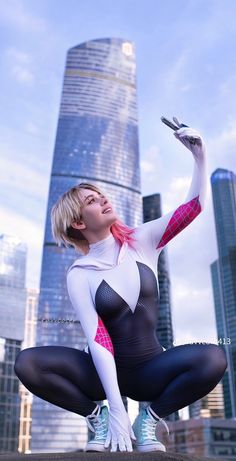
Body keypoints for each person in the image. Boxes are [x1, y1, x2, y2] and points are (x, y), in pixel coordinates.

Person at [14, 126, 227, 453]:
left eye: (100, 194)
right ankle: (95, 416)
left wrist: (199, 154)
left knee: (213, 358)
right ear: (79, 223)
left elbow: (193, 209)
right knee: (27, 363)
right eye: (91, 200)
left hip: (150, 370)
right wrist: (114, 409)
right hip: (98, 375)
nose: (102, 198)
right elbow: (97, 338)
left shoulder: (144, 242)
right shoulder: (79, 274)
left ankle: (149, 418)